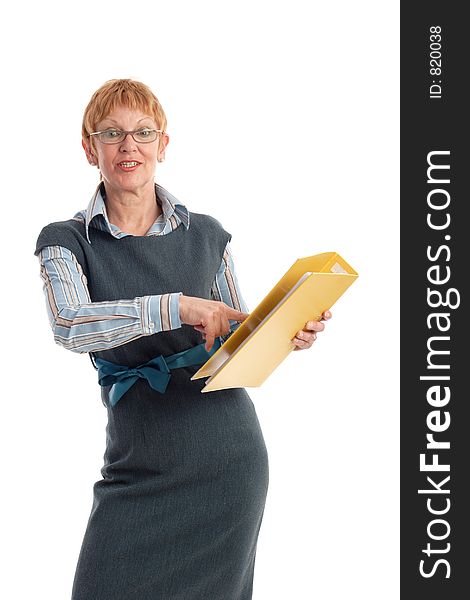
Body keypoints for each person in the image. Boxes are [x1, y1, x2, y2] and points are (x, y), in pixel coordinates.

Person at [34, 78, 331, 600]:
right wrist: (175, 307)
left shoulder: (208, 234)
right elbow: (71, 325)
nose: (129, 146)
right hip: (138, 464)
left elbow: (236, 340)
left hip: (226, 459)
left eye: (143, 132)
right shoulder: (65, 241)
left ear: (162, 146)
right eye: (112, 133)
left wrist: (287, 334)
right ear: (89, 148)